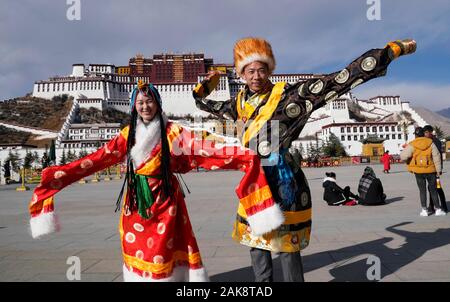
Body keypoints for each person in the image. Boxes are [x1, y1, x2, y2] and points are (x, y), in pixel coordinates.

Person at [193, 37, 416, 281]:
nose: (256, 76)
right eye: (250, 71)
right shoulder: (238, 104)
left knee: (287, 246)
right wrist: (206, 86)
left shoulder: (291, 96)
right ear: (242, 75)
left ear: (269, 71)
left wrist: (388, 53)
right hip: (255, 181)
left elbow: (338, 80)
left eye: (261, 70)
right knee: (256, 244)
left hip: (284, 180)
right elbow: (204, 104)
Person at [28, 81, 284, 282]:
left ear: (157, 104)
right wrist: (61, 174)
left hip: (165, 202)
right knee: (136, 247)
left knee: (164, 251)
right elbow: (98, 159)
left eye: (149, 101)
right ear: (133, 106)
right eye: (140, 102)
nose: (145, 106)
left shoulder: (173, 131)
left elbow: (203, 147)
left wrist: (241, 153)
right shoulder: (127, 135)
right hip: (136, 203)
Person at [400, 127, 445, 216]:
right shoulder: (430, 142)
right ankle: (438, 209)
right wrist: (438, 170)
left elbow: (403, 156)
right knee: (433, 190)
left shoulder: (413, 144)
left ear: (416, 135)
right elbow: (436, 156)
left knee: (422, 190)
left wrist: (410, 161)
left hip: (418, 171)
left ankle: (424, 210)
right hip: (430, 170)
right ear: (423, 133)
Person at [423, 125, 447, 213]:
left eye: (426, 132)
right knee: (431, 187)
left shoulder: (435, 141)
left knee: (437, 187)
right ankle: (432, 205)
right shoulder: (428, 140)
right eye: (424, 132)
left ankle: (443, 205)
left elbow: (438, 156)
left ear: (430, 132)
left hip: (435, 169)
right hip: (429, 169)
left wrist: (439, 169)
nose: (425, 134)